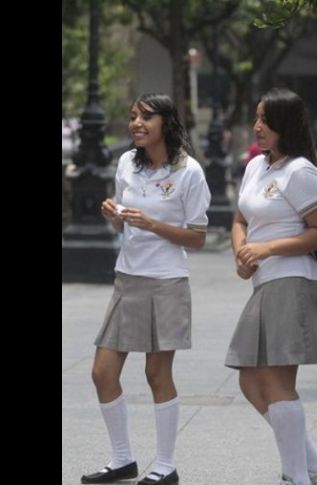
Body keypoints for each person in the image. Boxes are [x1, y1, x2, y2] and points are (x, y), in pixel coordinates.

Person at [82, 93, 211, 485]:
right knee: (102, 372)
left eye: (145, 117)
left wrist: (153, 223)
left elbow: (198, 237)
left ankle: (165, 465)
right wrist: (114, 218)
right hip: (128, 278)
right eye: (133, 116)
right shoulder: (126, 163)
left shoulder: (189, 172)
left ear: (166, 123)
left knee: (157, 373)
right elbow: (126, 224)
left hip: (167, 281)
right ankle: (122, 459)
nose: (136, 123)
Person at [226, 87, 317, 485]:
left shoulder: (300, 171)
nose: (257, 127)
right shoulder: (258, 167)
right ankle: (314, 466)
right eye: (256, 118)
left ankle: (296, 476)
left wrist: (266, 249)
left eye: (265, 120)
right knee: (249, 379)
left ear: (285, 125)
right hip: (264, 284)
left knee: (275, 384)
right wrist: (243, 252)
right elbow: (240, 219)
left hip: (292, 283)